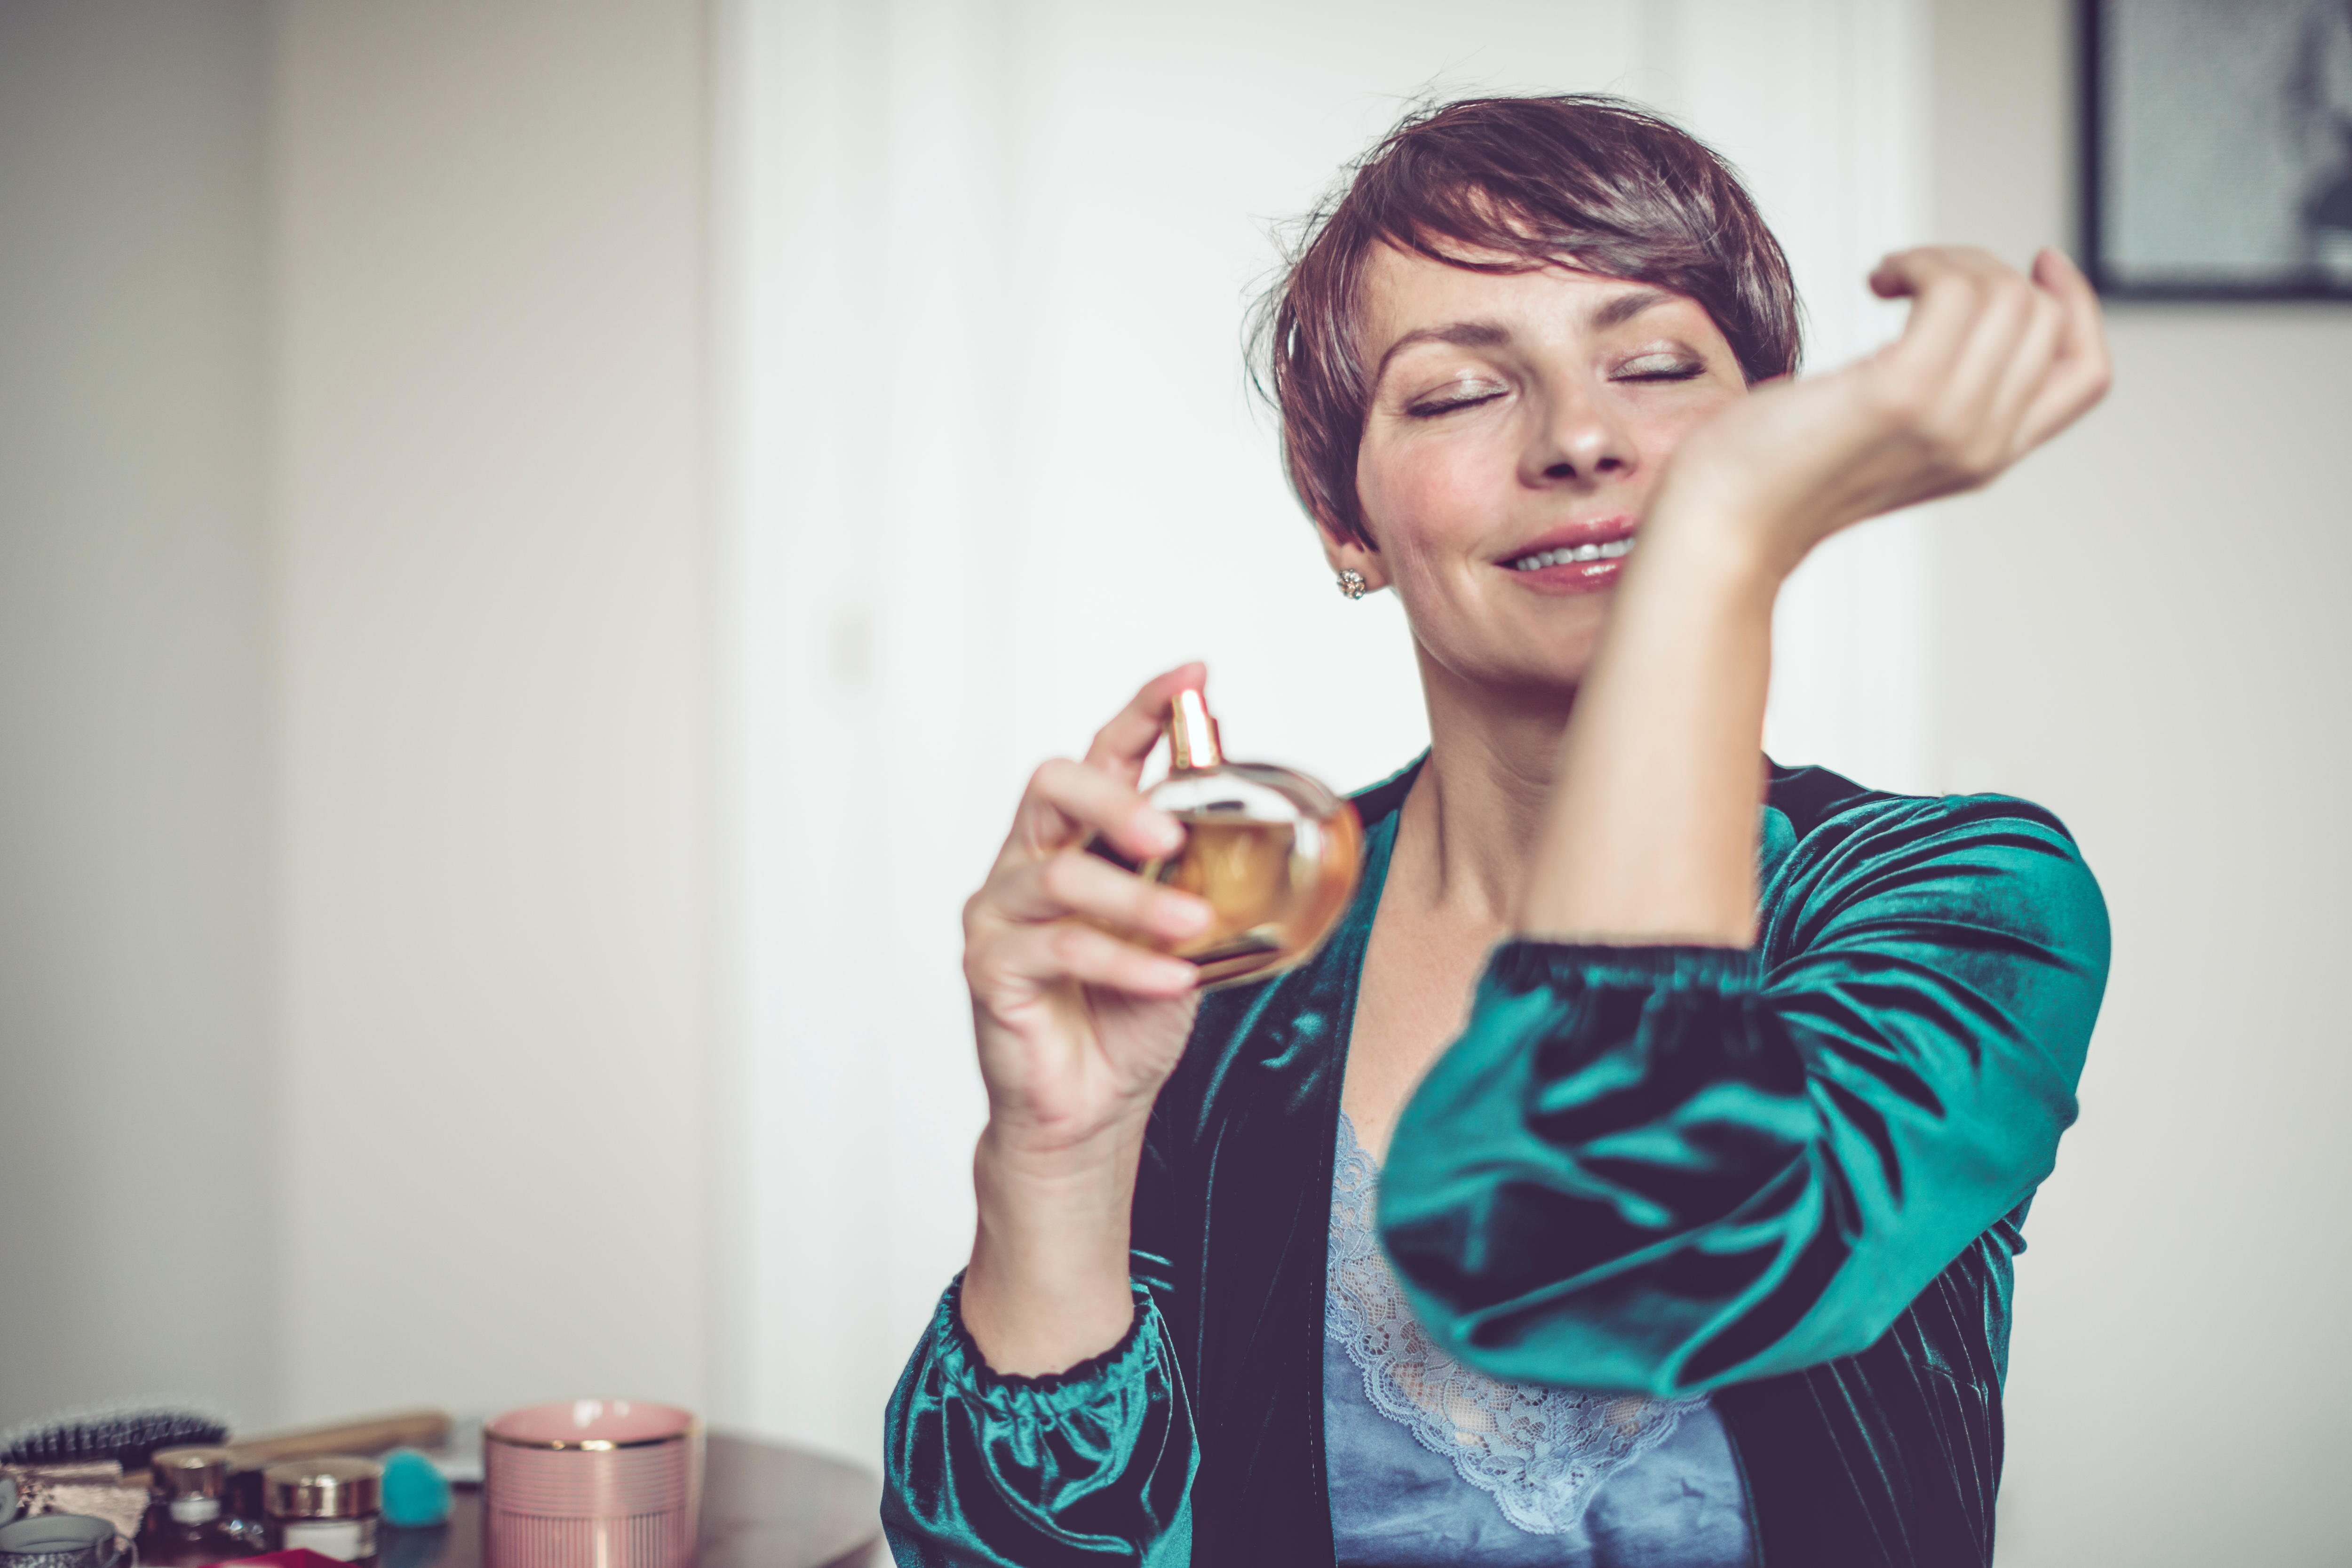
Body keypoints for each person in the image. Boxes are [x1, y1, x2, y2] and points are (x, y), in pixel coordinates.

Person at [880, 95, 2112, 1568]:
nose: (1583, 437)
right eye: (1460, 393)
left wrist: (1716, 539)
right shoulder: (1225, 949)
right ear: (1346, 517)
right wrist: (1057, 1162)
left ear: (1786, 447)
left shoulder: (1958, 902)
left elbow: (1617, 1243)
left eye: (1656, 368)